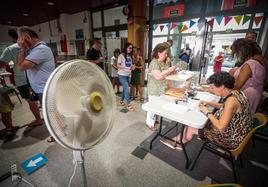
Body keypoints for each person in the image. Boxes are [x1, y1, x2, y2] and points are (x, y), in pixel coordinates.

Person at [161, 71, 252, 150]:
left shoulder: (231, 101)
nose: (211, 90)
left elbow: (221, 127)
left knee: (193, 125)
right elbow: (224, 106)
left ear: (222, 87)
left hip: (231, 139)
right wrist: (209, 103)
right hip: (239, 133)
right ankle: (182, 139)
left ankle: (179, 142)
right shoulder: (236, 92)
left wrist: (207, 111)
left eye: (212, 88)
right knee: (197, 121)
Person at [16, 27, 55, 142]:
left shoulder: (40, 49)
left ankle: (59, 134)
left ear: (27, 38)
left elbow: (20, 67)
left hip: (45, 88)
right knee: (50, 112)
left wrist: (22, 48)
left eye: (21, 39)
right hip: (41, 88)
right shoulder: (35, 50)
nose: (19, 41)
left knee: (50, 113)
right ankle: (59, 131)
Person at [0, 28, 43, 126]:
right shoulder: (33, 46)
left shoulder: (11, 49)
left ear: (12, 38)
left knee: (31, 101)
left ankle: (38, 119)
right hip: (37, 77)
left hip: (23, 79)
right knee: (40, 99)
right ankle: (45, 119)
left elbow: (1, 64)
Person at [231, 38, 267, 113]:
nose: (237, 55)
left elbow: (237, 86)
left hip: (247, 96)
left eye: (237, 52)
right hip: (255, 96)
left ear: (243, 50)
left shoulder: (250, 63)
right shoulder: (262, 61)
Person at [146, 43, 177, 131]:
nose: (166, 55)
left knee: (158, 106)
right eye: (165, 54)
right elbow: (158, 76)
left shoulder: (163, 63)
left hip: (162, 89)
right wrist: (169, 70)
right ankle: (150, 123)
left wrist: (173, 70)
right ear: (159, 53)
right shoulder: (154, 63)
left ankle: (156, 120)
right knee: (152, 107)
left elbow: (167, 73)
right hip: (155, 89)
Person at [117, 42, 135, 111]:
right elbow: (118, 65)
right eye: (129, 48)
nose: (131, 49)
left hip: (129, 75)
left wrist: (133, 66)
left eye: (131, 48)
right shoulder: (121, 56)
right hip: (122, 75)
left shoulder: (130, 56)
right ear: (126, 48)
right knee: (127, 89)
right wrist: (123, 66)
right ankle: (129, 104)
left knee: (125, 89)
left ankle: (121, 101)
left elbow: (131, 65)